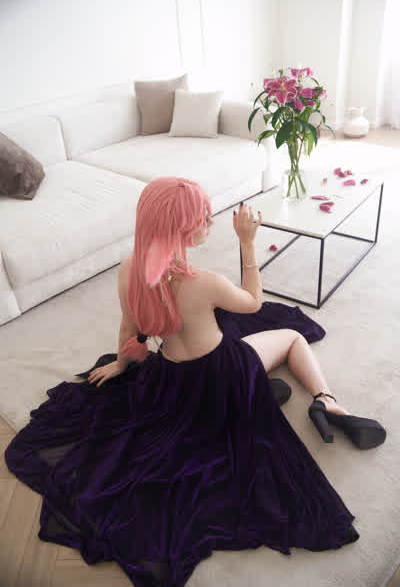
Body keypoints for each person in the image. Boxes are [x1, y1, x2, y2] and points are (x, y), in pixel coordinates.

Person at [4, 176, 386, 587]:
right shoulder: (205, 282)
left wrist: (120, 364)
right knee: (291, 335)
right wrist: (247, 243)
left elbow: (130, 330)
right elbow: (253, 302)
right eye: (203, 218)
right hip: (225, 375)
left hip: (170, 382)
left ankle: (262, 395)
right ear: (181, 230)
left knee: (220, 347)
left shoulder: (129, 270)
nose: (210, 222)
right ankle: (325, 400)